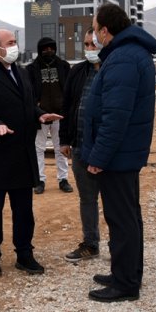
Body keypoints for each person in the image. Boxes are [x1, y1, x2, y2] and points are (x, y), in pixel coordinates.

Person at [0, 29, 62, 277]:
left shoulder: (21, 73)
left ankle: (24, 253)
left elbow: (27, 104)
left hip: (22, 154)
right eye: (9, 43)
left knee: (24, 211)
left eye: (14, 42)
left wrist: (39, 114)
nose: (14, 46)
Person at [81, 4, 156, 302]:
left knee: (122, 219)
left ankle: (125, 284)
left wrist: (99, 158)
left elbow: (115, 116)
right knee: (127, 216)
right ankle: (126, 272)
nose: (94, 33)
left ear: (104, 30)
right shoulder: (128, 53)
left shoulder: (123, 58)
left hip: (118, 156)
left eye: (94, 26)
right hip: (125, 153)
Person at [59, 32, 103, 261]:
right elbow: (67, 107)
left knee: (113, 199)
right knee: (87, 198)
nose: (89, 48)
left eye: (93, 43)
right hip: (80, 147)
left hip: (106, 149)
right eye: (86, 44)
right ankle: (90, 243)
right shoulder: (77, 72)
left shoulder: (112, 70)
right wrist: (65, 139)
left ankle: (120, 245)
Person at [26, 37, 73, 194]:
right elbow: (28, 93)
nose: (48, 51)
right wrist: (36, 109)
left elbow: (70, 90)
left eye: (51, 48)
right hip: (41, 116)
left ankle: (63, 179)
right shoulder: (31, 69)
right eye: (45, 49)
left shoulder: (64, 66)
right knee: (38, 148)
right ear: (40, 51)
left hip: (60, 115)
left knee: (62, 147)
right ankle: (39, 180)